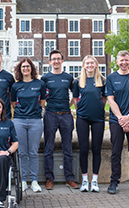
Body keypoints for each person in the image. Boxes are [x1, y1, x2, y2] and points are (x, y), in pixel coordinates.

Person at [105, 50, 129, 195]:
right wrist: (122, 119)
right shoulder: (111, 77)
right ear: (117, 62)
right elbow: (110, 99)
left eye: (126, 60)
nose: (124, 63)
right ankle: (114, 182)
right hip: (116, 120)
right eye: (121, 60)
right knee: (115, 152)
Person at [41, 50, 79, 190]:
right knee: (48, 147)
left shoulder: (68, 78)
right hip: (50, 115)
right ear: (49, 62)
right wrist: (47, 108)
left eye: (58, 58)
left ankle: (70, 178)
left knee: (67, 147)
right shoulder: (45, 78)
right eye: (53, 59)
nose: (56, 61)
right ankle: (49, 179)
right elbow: (42, 98)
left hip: (66, 115)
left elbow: (74, 96)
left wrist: (68, 106)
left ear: (62, 60)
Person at [11, 58, 46, 193]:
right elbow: (13, 102)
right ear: (20, 69)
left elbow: (42, 101)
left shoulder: (40, 84)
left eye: (28, 66)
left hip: (35, 120)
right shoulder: (16, 86)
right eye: (23, 67)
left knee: (33, 151)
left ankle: (34, 180)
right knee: (22, 152)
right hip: (19, 120)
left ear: (32, 68)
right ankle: (23, 180)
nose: (25, 69)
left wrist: (35, 109)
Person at [71, 55, 106, 192]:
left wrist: (98, 107)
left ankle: (95, 181)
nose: (90, 65)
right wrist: (80, 109)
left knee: (96, 149)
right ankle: (85, 180)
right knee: (84, 148)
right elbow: (74, 98)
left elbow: (104, 98)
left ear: (96, 65)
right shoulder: (78, 81)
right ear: (84, 65)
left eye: (92, 63)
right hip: (82, 118)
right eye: (87, 63)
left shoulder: (102, 80)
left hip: (98, 118)